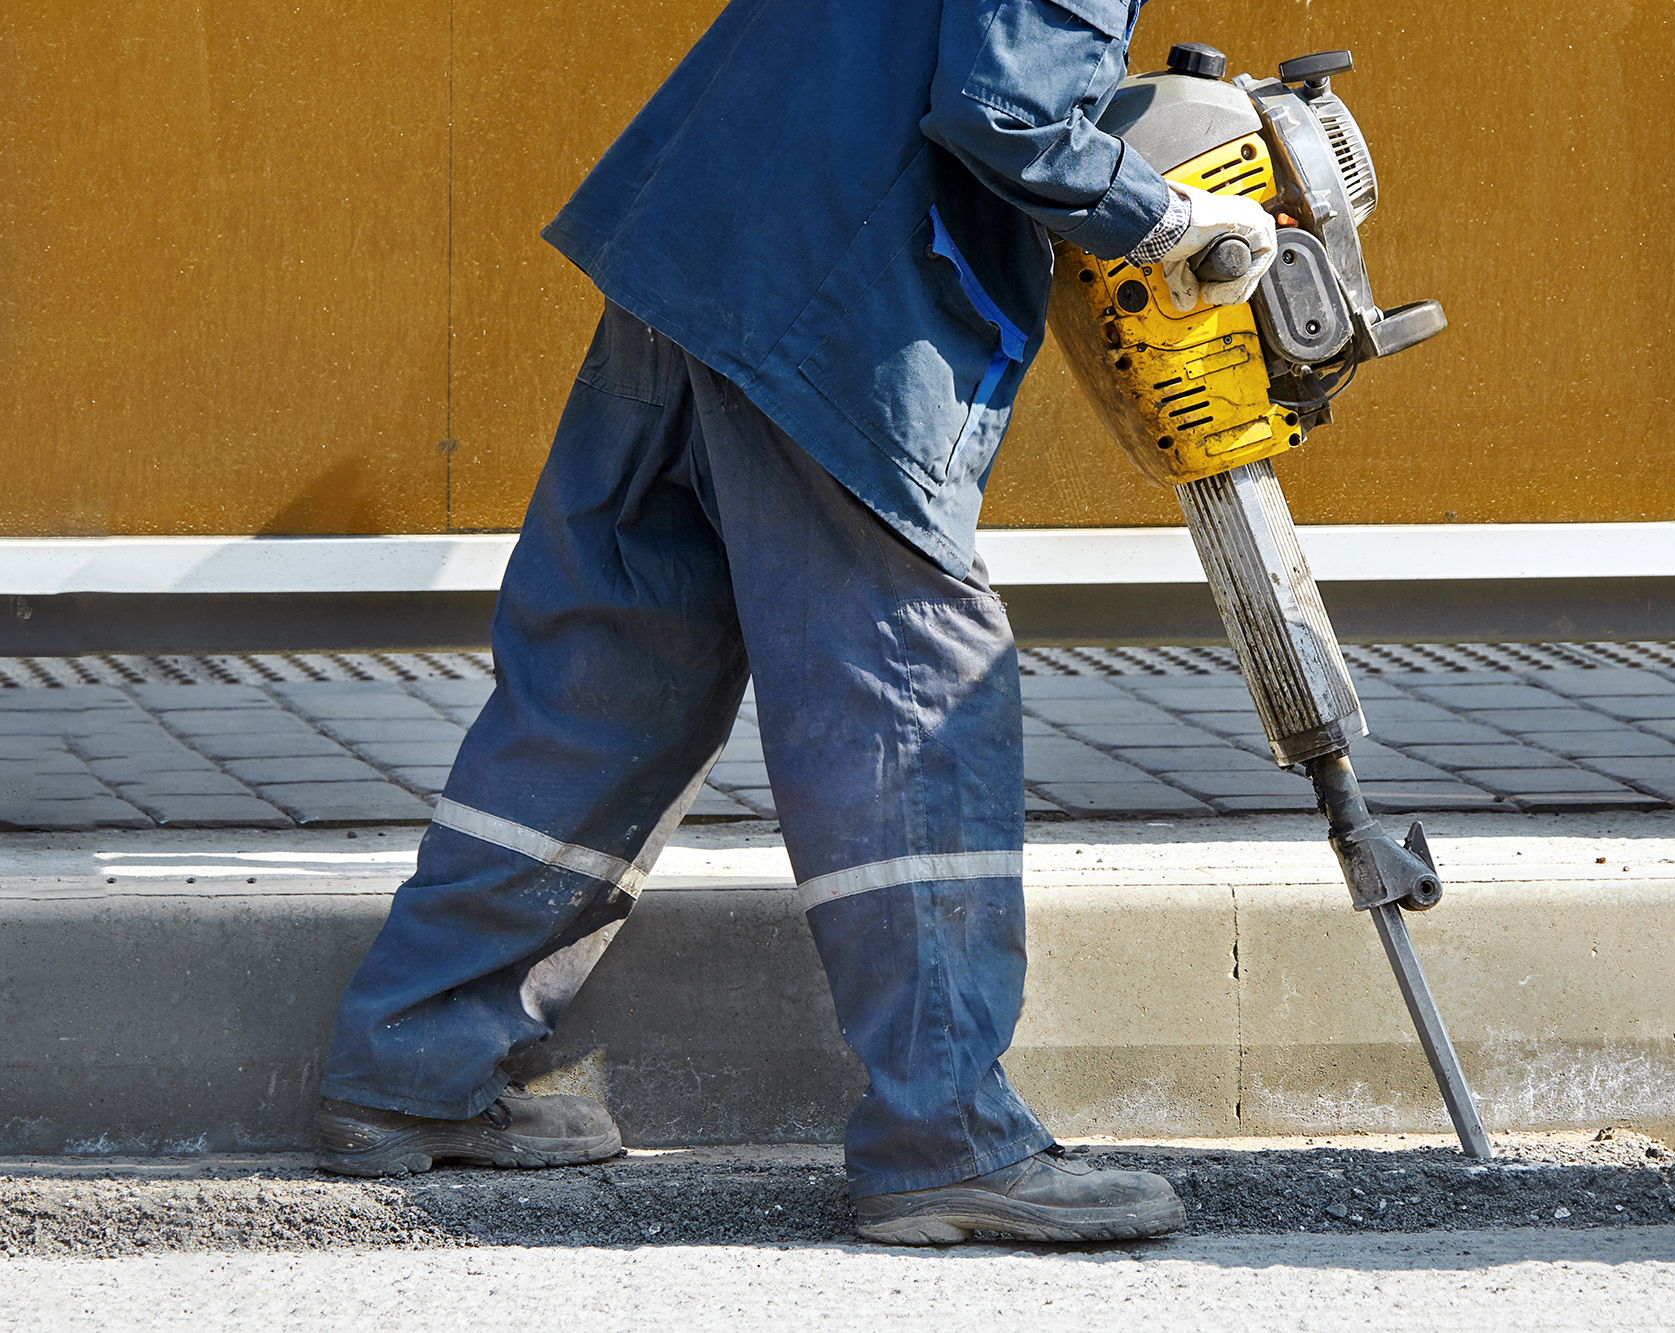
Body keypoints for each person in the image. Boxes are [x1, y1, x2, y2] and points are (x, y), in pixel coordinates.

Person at [309, 0, 1275, 1245]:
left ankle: (409, 1067)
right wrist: (1169, 215)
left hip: (691, 250)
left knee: (610, 678)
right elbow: (1006, 112)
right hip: (838, 307)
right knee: (913, 701)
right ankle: (946, 1140)